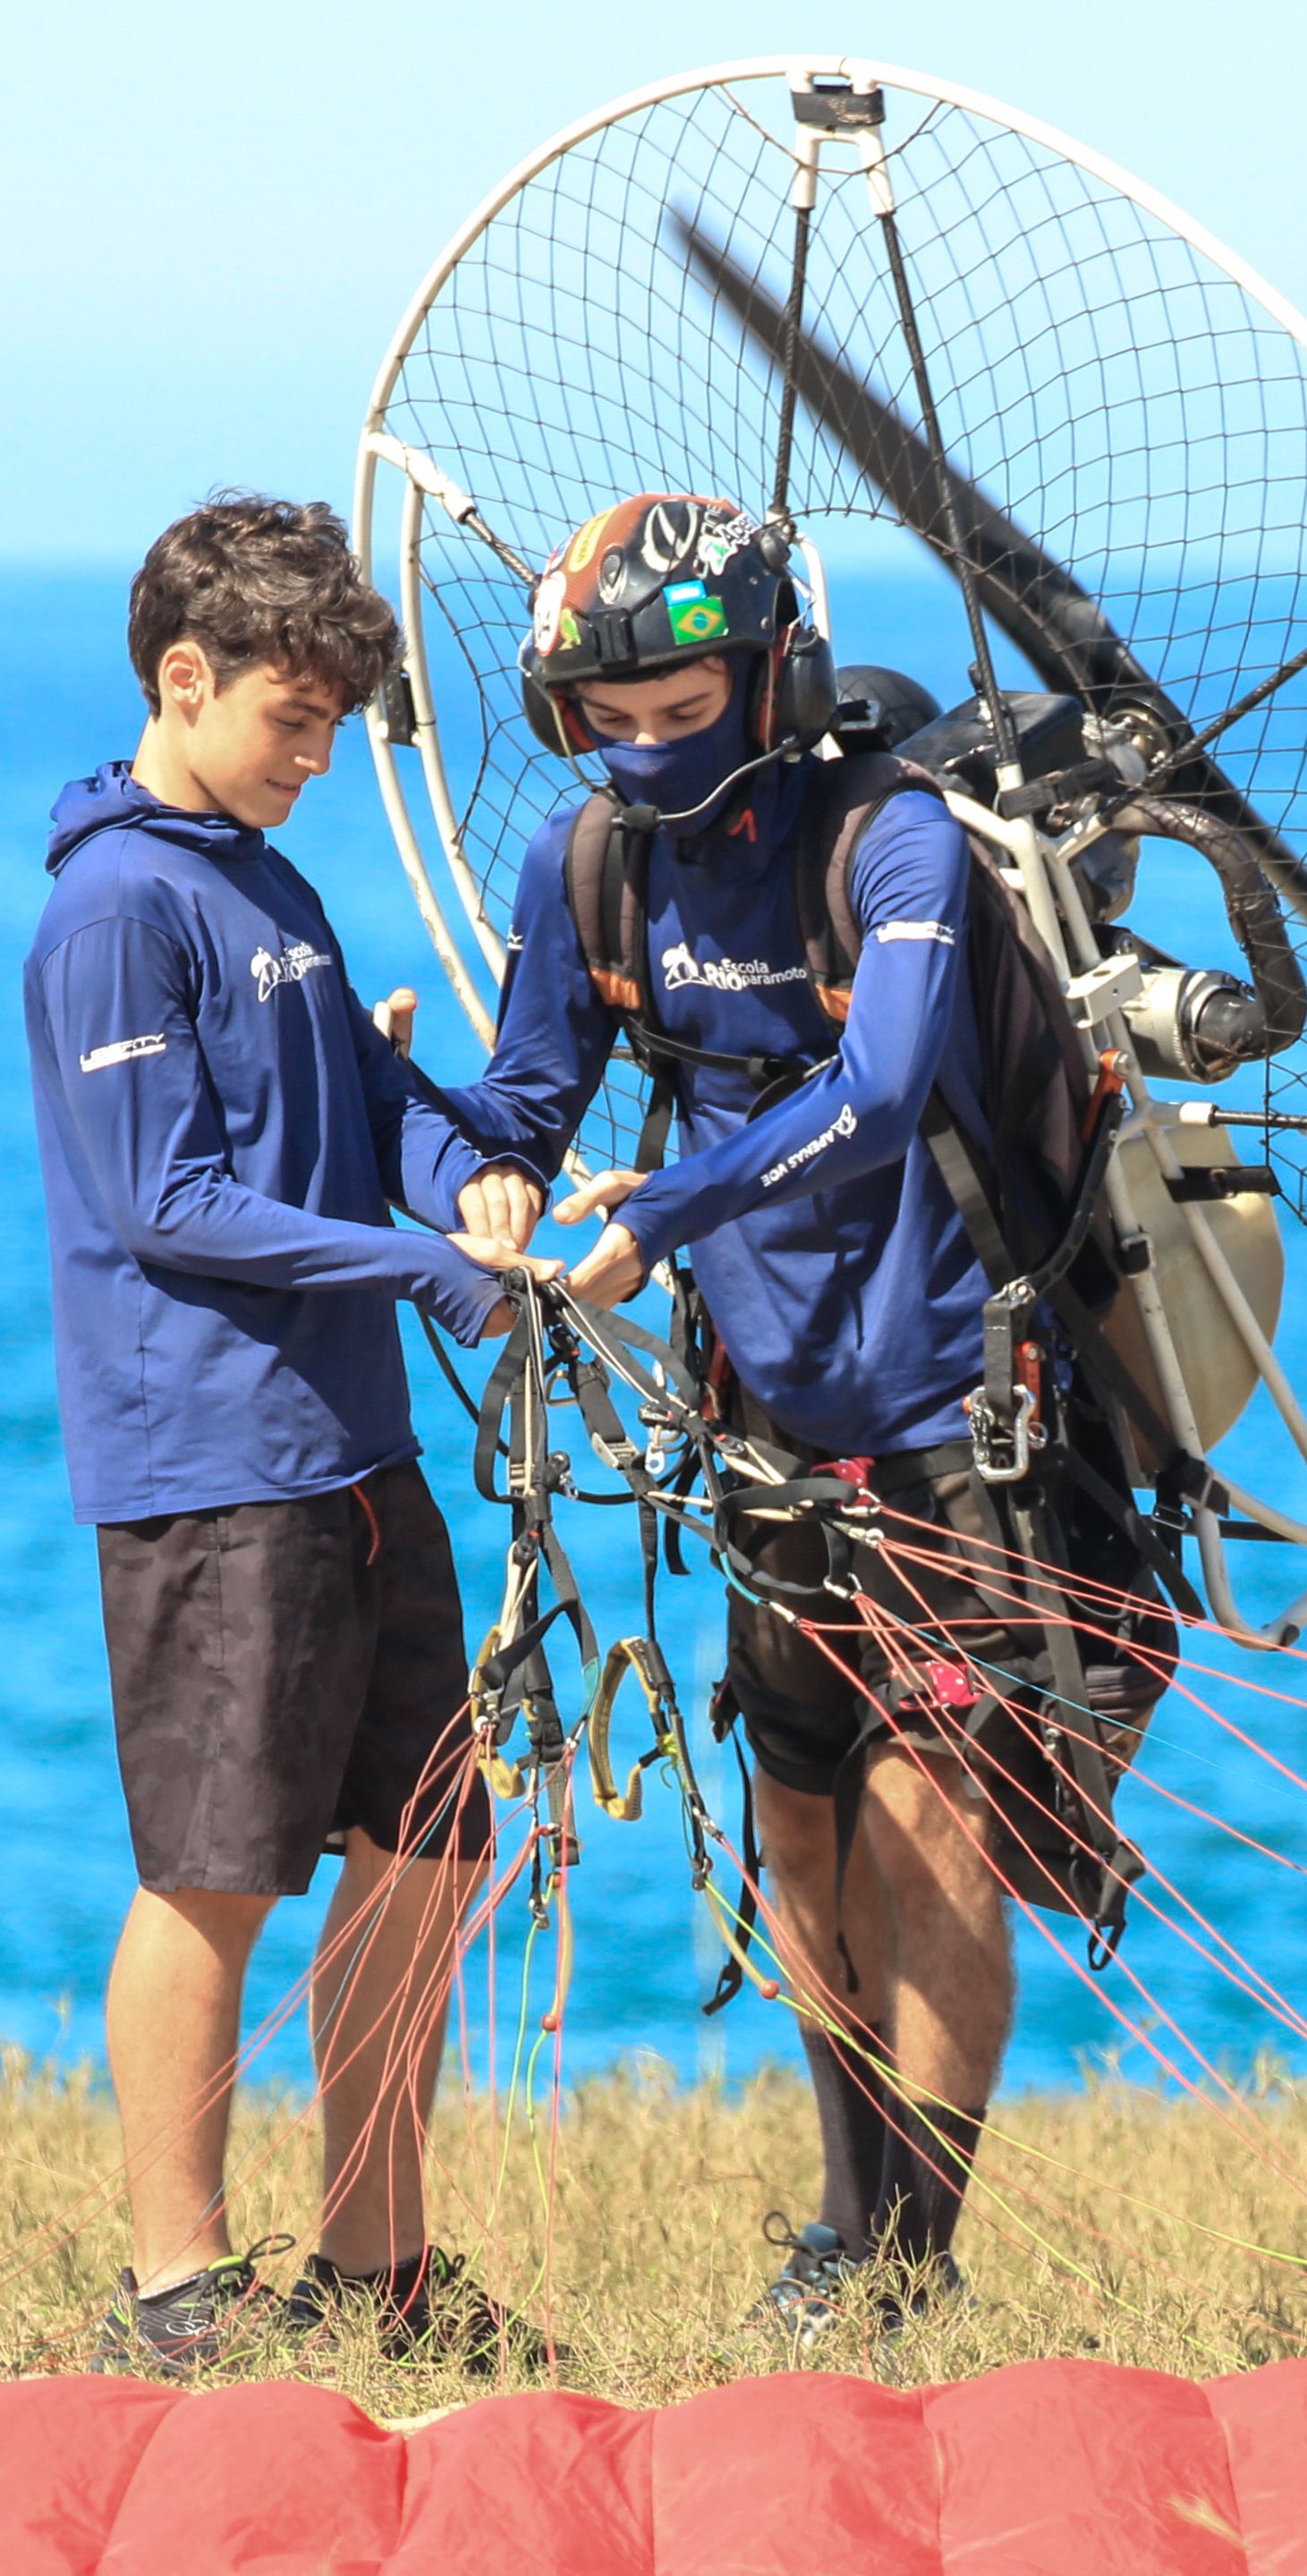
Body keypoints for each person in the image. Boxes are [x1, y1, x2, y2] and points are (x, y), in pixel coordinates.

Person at [436, 491, 1175, 2334]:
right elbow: (529, 1091)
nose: (640, 749)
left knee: (937, 1820)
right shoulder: (585, 867)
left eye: (679, 709)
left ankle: (918, 2263)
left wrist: (663, 1213)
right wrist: (468, 1170)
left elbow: (883, 1082)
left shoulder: (894, 846)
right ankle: (849, 2235)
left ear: (776, 676)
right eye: (604, 719)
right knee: (801, 1830)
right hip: (766, 1426)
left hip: (961, 1420)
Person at [23, 496, 558, 2377]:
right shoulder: (113, 910)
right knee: (219, 1870)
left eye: (342, 726)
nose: (321, 759)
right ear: (187, 677)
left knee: (425, 1851)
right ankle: (177, 2294)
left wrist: (473, 1193)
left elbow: (378, 1091)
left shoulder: (271, 881)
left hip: (356, 1458)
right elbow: (166, 1200)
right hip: (210, 1473)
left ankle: (377, 2269)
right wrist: (417, 1266)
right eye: (295, 720)